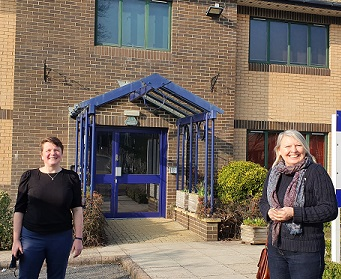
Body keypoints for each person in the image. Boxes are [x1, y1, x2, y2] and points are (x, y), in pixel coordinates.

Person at [259, 129, 338, 279]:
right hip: (276, 249)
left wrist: (294, 213)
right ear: (279, 150)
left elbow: (329, 209)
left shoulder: (316, 172)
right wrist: (269, 212)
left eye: (298, 145)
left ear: (305, 148)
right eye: (288, 146)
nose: (293, 150)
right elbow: (263, 202)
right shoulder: (274, 173)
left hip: (305, 253)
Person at [11, 137, 83, 279]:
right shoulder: (29, 177)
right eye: (48, 150)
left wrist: (78, 238)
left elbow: (77, 209)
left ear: (62, 153)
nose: (53, 153)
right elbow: (19, 210)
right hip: (32, 237)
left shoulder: (71, 178)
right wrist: (16, 240)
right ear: (42, 155)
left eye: (56, 150)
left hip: (61, 238)